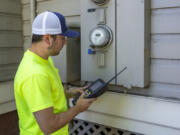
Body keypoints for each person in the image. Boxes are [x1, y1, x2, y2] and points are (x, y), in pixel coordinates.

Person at [14, 11, 96, 135]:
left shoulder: (42, 60)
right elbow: (49, 126)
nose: (65, 43)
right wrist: (78, 108)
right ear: (47, 39)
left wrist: (69, 94)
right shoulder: (35, 74)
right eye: (62, 38)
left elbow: (47, 93)